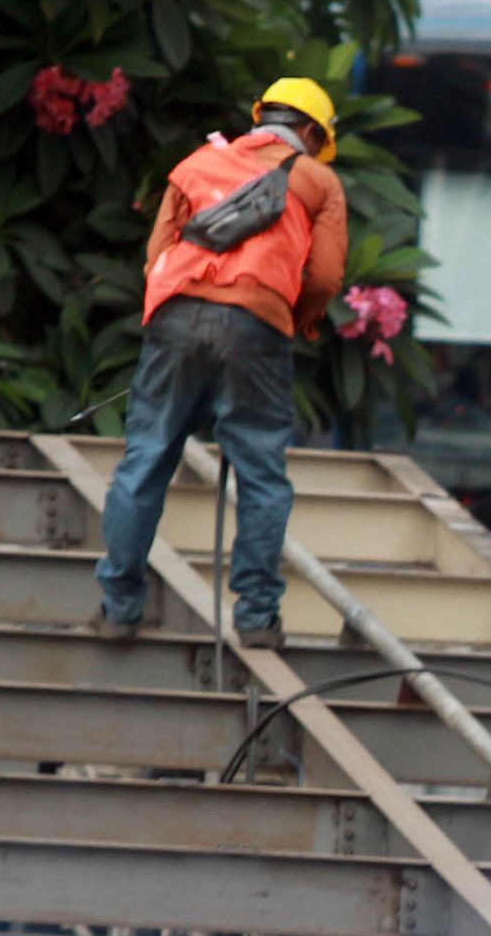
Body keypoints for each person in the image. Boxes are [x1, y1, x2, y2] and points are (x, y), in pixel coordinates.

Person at [93, 78, 350, 648]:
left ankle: (118, 608)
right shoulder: (317, 181)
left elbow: (158, 256)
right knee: (260, 470)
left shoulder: (197, 163)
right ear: (311, 133)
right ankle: (257, 619)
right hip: (256, 323)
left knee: (146, 458)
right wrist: (293, 318)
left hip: (175, 319)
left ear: (261, 117)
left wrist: (175, 318)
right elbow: (327, 276)